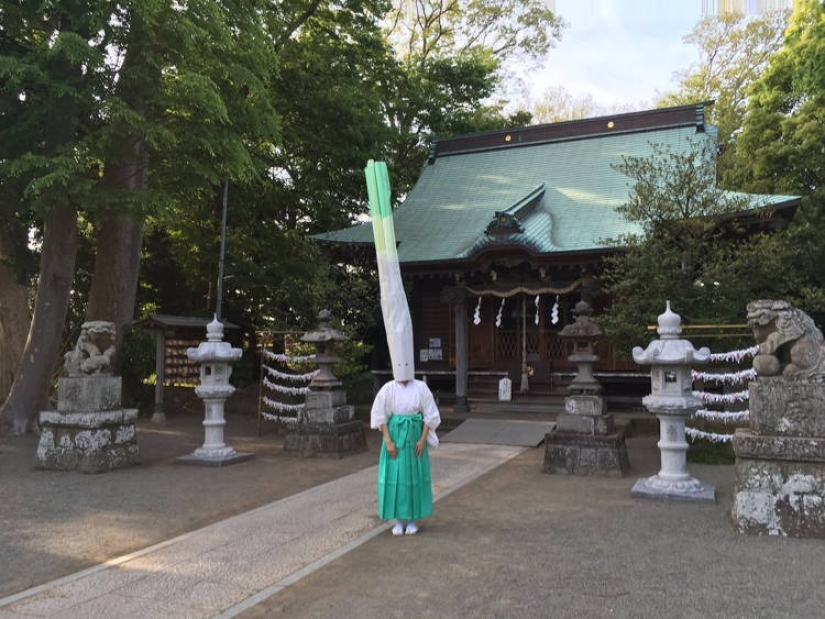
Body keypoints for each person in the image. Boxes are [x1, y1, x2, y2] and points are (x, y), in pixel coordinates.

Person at [370, 377, 441, 536]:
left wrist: (423, 439)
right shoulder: (388, 388)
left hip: (414, 435)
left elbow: (430, 414)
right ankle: (399, 520)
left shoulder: (421, 387)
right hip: (395, 435)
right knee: (396, 478)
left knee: (413, 477)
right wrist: (388, 441)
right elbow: (379, 414)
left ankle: (412, 520)